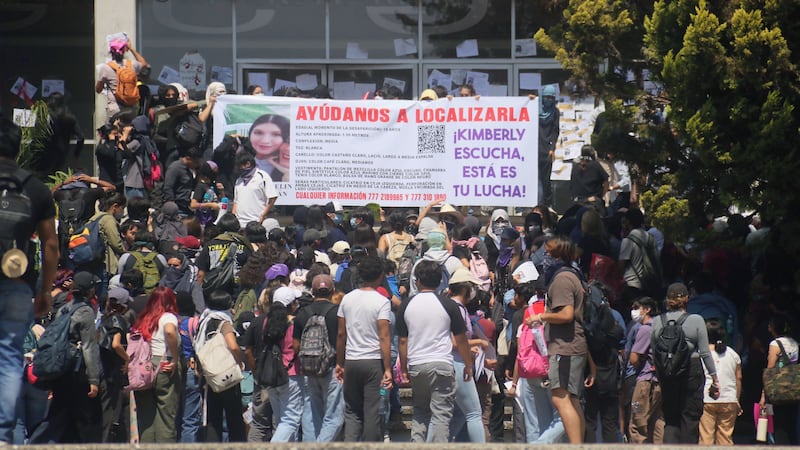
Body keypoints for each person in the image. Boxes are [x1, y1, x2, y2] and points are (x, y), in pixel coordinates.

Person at [0, 117, 59, 445]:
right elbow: (50, 245)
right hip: (17, 283)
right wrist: (45, 291)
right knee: (9, 357)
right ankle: (3, 434)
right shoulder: (35, 188)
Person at [397, 261, 473, 443]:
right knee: (441, 414)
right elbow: (461, 339)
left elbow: (402, 340)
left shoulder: (406, 305)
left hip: (417, 364)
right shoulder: (448, 305)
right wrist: (468, 365)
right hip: (441, 364)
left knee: (420, 412)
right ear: (440, 282)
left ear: (417, 281)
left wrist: (404, 368)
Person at [530, 236, 594, 443]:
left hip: (565, 346)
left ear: (558, 255)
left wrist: (540, 317)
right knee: (572, 400)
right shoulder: (572, 274)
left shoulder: (562, 279)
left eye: (549, 252)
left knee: (560, 398)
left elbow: (566, 314)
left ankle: (576, 445)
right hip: (571, 345)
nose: (545, 256)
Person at [650, 282, 719, 444]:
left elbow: (655, 352)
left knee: (671, 418)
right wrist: (714, 378)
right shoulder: (696, 320)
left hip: (668, 372)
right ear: (687, 299)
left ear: (668, 300)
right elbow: (705, 352)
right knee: (690, 417)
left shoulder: (657, 321)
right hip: (691, 370)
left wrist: (661, 376)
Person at [334, 255, 393, 442]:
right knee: (372, 412)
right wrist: (388, 368)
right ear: (380, 276)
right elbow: (384, 336)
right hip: (373, 361)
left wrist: (339, 363)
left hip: (352, 360)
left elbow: (341, 334)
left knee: (352, 412)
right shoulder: (381, 301)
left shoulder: (347, 299)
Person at [292, 274, 343, 442]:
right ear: (332, 290)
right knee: (334, 416)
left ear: (312, 291)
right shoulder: (337, 312)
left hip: (308, 369)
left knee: (312, 414)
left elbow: (296, 345)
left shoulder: (302, 314)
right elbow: (341, 339)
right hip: (332, 368)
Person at [131, 286, 183, 442]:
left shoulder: (145, 317)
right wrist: (175, 358)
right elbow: (169, 332)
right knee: (166, 414)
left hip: (144, 366)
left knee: (146, 416)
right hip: (164, 363)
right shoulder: (168, 317)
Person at [195, 290, 246, 442]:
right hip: (226, 374)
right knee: (234, 417)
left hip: (210, 376)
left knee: (213, 417)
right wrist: (240, 363)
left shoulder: (204, 321)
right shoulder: (224, 322)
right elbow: (233, 346)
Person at [265, 286, 304, 442]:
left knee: (281, 419)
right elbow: (297, 347)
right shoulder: (294, 323)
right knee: (291, 420)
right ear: (291, 305)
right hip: (291, 372)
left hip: (271, 374)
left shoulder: (267, 322)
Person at [627, 296, 664, 444]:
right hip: (659, 381)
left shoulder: (644, 329)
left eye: (637, 308)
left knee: (637, 422)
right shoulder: (660, 326)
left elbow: (633, 358)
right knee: (657, 421)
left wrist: (638, 365)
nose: (634, 311)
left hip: (645, 382)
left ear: (647, 309)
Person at [699, 321, 742, 445]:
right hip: (729, 399)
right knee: (725, 438)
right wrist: (737, 399)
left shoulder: (703, 354)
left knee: (706, 437)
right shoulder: (733, 354)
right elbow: (738, 378)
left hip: (707, 399)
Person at [98, 287, 131, 443]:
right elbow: (116, 344)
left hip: (103, 370)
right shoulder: (119, 320)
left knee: (105, 412)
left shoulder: (103, 319)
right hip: (113, 373)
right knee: (112, 414)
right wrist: (128, 359)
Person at [759, 314, 799, 445]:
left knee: (773, 420)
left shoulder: (775, 344)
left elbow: (770, 369)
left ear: (774, 327)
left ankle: (775, 444)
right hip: (792, 388)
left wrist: (763, 395)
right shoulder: (795, 343)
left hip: (776, 389)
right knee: (790, 422)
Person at [95, 38, 148, 118]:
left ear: (111, 52)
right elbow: (144, 64)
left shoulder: (105, 68)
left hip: (115, 109)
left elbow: (98, 90)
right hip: (131, 109)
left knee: (113, 126)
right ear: (124, 51)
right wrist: (131, 48)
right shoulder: (132, 65)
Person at [232, 151, 278, 229]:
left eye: (240, 166)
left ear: (248, 164)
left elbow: (272, 197)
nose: (238, 169)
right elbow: (236, 201)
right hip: (239, 223)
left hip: (256, 222)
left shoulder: (262, 176)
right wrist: (234, 217)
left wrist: (263, 215)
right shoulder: (239, 180)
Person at [247, 114, 291, 182]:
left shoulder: (286, 161)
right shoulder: (238, 156)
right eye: (258, 133)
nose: (265, 141)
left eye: (276, 134)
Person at [163, 149, 201, 216]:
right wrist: (172, 207)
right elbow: (168, 187)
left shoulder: (189, 170)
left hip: (186, 206)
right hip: (177, 206)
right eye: (195, 162)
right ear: (188, 158)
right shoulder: (175, 168)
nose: (196, 165)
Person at [570, 145, 609, 211]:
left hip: (577, 201)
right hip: (593, 201)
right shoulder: (595, 165)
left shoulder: (575, 165)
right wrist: (601, 195)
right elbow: (606, 182)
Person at [538, 84, 559, 206]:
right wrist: (530, 100)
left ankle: (547, 205)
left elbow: (555, 131)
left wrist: (552, 148)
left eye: (551, 97)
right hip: (533, 149)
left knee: (545, 180)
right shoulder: (534, 108)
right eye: (546, 97)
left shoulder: (555, 112)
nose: (548, 100)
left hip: (546, 150)